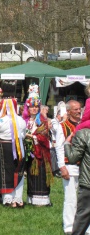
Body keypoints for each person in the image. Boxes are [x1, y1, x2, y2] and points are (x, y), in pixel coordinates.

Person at [57, 97, 90, 234]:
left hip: (83, 167)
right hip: (69, 165)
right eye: (75, 109)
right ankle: (69, 226)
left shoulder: (84, 125)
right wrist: (61, 166)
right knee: (71, 198)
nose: (78, 111)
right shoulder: (63, 126)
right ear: (69, 112)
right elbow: (59, 147)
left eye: (80, 109)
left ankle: (86, 227)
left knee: (85, 201)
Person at [0, 98, 26, 207]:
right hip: (19, 147)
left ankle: (8, 199)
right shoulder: (21, 120)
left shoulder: (0, 121)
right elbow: (23, 135)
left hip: (4, 147)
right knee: (18, 171)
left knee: (6, 171)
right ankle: (18, 198)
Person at [23, 84, 53, 207]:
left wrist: (32, 137)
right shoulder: (25, 121)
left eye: (36, 107)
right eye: (32, 107)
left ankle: (43, 200)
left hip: (41, 153)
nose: (34, 109)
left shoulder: (43, 121)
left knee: (40, 175)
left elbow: (44, 137)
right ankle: (31, 199)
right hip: (30, 154)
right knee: (31, 175)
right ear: (28, 108)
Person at [64, 123, 90, 235]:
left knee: (82, 218)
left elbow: (73, 158)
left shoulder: (84, 133)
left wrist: (66, 144)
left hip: (88, 184)